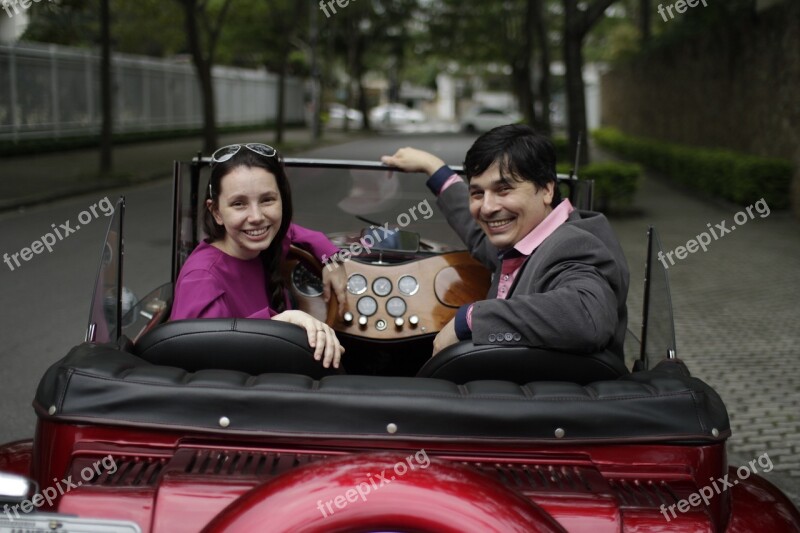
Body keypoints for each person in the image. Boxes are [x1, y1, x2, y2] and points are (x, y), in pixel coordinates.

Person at [381, 125, 629, 359]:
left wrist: (469, 319)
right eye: (477, 193)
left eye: (504, 190)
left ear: (546, 190)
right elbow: (478, 236)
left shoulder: (576, 246)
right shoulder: (526, 238)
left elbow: (586, 316)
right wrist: (433, 168)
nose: (487, 208)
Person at [170, 143, 347, 369]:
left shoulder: (264, 241)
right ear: (216, 212)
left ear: (282, 200)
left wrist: (331, 259)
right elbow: (204, 360)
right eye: (238, 204)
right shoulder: (202, 279)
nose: (256, 217)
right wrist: (283, 322)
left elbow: (294, 232)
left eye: (267, 200)